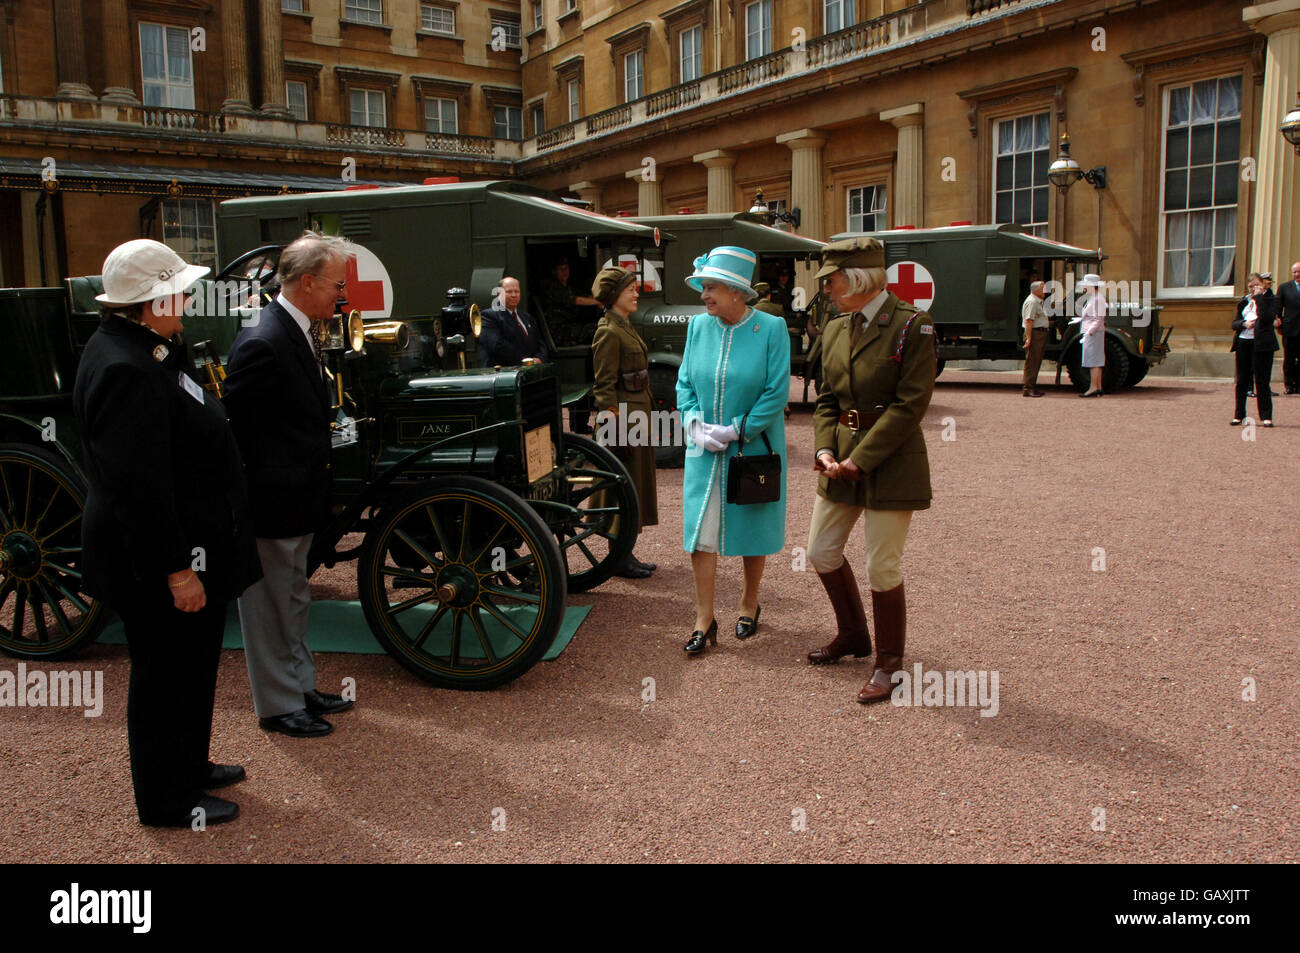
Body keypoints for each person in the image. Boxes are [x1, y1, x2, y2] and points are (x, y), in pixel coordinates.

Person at [74, 239, 261, 826]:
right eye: (177, 290)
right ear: (152, 301)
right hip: (161, 557)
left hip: (191, 542)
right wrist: (176, 569)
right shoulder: (127, 367)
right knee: (164, 674)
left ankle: (188, 765)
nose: (185, 298)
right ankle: (166, 798)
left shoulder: (148, 347)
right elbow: (141, 489)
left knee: (192, 663)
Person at [223, 232, 355, 737]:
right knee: (270, 605)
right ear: (306, 282)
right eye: (333, 284)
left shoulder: (291, 328)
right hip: (272, 497)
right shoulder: (263, 337)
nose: (338, 295)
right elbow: (239, 426)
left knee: (293, 597)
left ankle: (299, 687)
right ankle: (279, 706)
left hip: (296, 493)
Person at [804, 237, 935, 705]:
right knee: (820, 550)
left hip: (891, 461)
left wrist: (862, 458)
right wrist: (823, 449)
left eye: (832, 280)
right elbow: (826, 398)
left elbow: (910, 405)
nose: (827, 289)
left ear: (857, 278)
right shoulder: (837, 328)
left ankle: (889, 664)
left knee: (882, 563)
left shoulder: (912, 327)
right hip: (839, 458)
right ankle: (854, 636)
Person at [675, 246, 790, 653]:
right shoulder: (698, 327)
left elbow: (776, 392)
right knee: (700, 533)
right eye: (703, 287)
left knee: (752, 525)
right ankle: (704, 618)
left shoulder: (772, 328)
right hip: (703, 448)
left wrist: (737, 429)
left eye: (711, 288)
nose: (704, 295)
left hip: (753, 446)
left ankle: (749, 602)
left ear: (737, 292)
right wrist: (694, 424)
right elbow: (684, 382)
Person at [590, 267, 659, 578]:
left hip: (637, 416)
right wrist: (614, 426)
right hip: (623, 421)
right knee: (622, 489)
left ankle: (626, 551)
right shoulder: (608, 331)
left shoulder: (624, 326)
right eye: (630, 289)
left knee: (635, 487)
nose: (636, 293)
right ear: (614, 295)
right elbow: (603, 386)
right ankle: (618, 557)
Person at [1231, 272, 1280, 427]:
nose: (1253, 289)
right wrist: (1243, 324)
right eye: (1251, 286)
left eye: (1256, 285)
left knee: (1262, 381)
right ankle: (1239, 415)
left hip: (1262, 344)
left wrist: (1259, 298)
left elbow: (1267, 317)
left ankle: (1266, 416)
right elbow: (1234, 323)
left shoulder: (1271, 300)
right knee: (1242, 381)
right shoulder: (1244, 301)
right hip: (1244, 342)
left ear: (1263, 284)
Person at [479, 276, 548, 367]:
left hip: (529, 373)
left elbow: (540, 343)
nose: (514, 295)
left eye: (517, 291)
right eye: (509, 291)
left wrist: (540, 359)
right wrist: (526, 361)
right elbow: (497, 345)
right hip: (503, 374)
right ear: (499, 293)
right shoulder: (488, 316)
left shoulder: (527, 317)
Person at [539, 257, 600, 348]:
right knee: (598, 328)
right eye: (561, 269)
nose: (564, 272)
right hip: (561, 332)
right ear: (554, 272)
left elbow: (584, 296)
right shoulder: (552, 287)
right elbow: (576, 300)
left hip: (571, 327)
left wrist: (597, 300)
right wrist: (598, 301)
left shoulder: (569, 287)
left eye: (566, 268)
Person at [1077, 273, 1106, 397]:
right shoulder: (1095, 297)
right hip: (1094, 332)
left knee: (1092, 360)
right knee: (1096, 360)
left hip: (1093, 332)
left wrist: (1089, 333)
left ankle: (1093, 387)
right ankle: (1098, 386)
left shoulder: (1097, 298)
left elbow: (1098, 319)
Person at [1021, 280, 1049, 397]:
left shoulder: (1038, 301)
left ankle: (1032, 386)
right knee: (1032, 362)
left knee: (1035, 361)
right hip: (1035, 333)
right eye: (1043, 289)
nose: (1045, 291)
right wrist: (1029, 338)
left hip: (1039, 333)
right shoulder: (1032, 302)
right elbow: (1029, 321)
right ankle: (1028, 388)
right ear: (1036, 290)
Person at [1278, 261, 1300, 395]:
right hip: (1290, 329)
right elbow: (1277, 308)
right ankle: (1289, 385)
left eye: (1299, 272)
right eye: (1295, 272)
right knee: (1289, 359)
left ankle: (1299, 384)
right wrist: (1279, 325)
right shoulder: (1284, 287)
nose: (1297, 274)